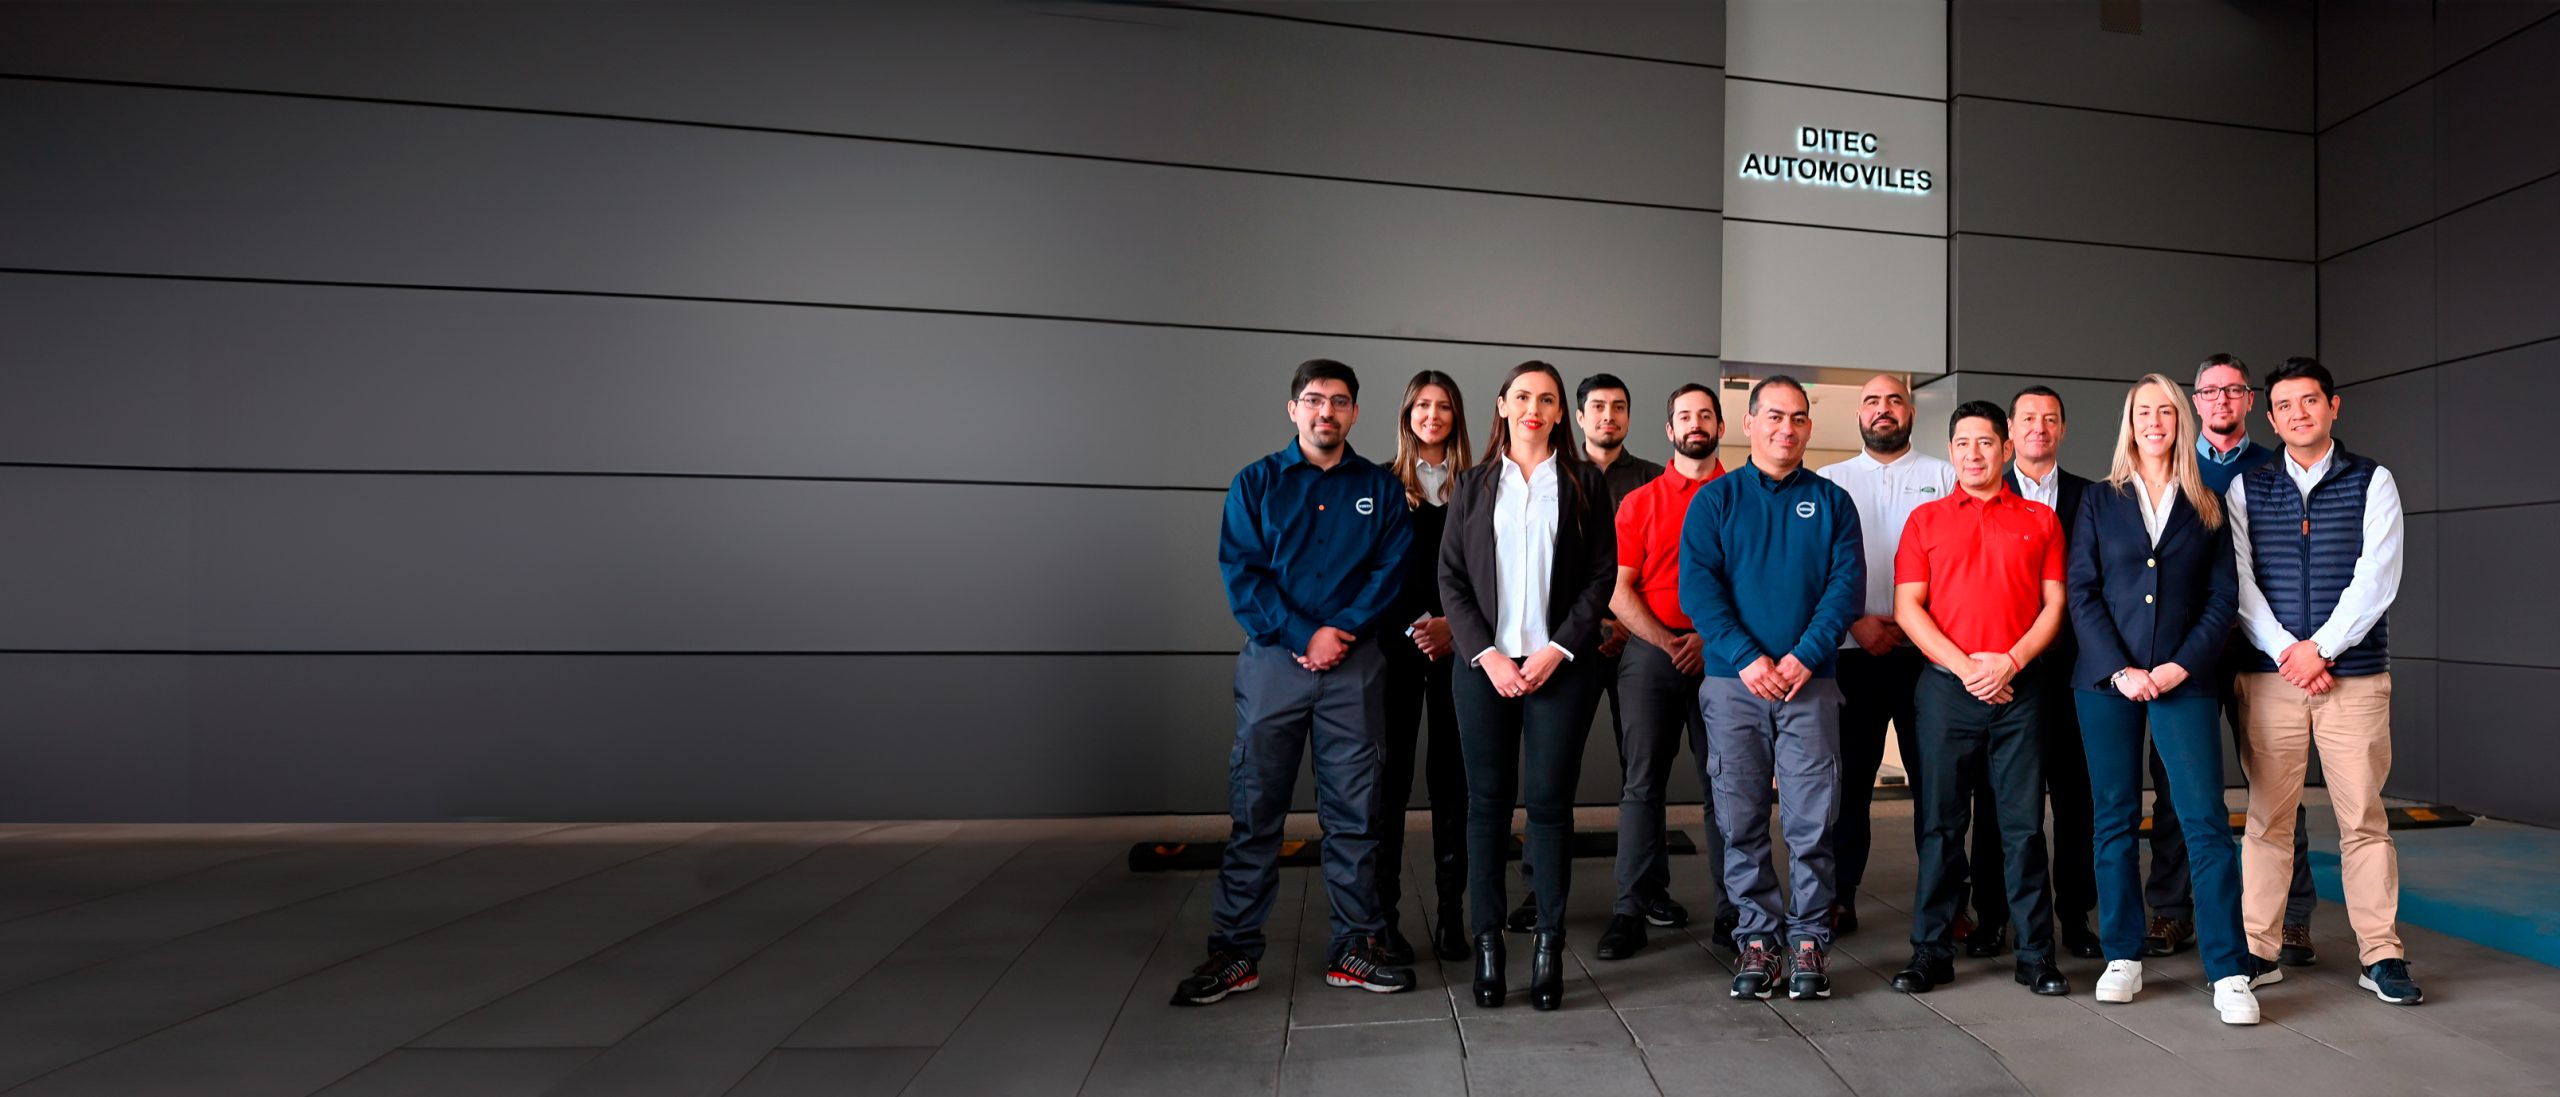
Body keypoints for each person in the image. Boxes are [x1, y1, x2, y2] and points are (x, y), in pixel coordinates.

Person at [1177, 359, 1416, 1006]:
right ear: (1293, 409)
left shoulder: (1380, 489)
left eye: (1338, 401)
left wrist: (1340, 630)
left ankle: (1355, 947)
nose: (1325, 411)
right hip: (1273, 665)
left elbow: (1390, 570)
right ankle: (1235, 952)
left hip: (1355, 666)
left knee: (1355, 815)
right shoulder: (1255, 483)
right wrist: (1303, 634)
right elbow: (1242, 572)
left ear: (1355, 413)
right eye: (1313, 399)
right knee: (1256, 810)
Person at [2067, 374, 2260, 1025]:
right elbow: (2082, 591)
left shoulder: (2208, 501)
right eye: (2142, 412)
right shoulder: (2099, 500)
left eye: (2165, 412)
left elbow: (2223, 598)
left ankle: (2228, 968)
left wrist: (2178, 666)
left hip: (2186, 681)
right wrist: (2120, 669)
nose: (2154, 421)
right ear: (2129, 422)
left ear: (2181, 421)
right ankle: (2122, 954)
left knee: (2205, 819)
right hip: (2107, 684)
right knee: (2114, 817)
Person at [2228, 357, 2418, 1005]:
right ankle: (2259, 948)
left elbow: (2378, 577)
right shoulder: (2247, 487)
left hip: (2353, 679)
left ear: (2333, 407)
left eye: (2310, 401)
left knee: (2363, 819)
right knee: (2267, 820)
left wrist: (2323, 649)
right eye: (2284, 405)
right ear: (2270, 417)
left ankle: (2381, 954)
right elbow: (2241, 583)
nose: (2298, 413)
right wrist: (2290, 652)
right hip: (2271, 677)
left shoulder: (2373, 480)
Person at [1441, 361, 1618, 1011]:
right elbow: (1452, 579)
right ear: (1502, 405)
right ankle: (1488, 944)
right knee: (1485, 806)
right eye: (1522, 397)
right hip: (1484, 669)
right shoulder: (1472, 484)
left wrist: (1558, 648)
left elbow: (1601, 575)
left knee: (1549, 805)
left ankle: (1548, 944)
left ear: (1560, 412)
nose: (1533, 409)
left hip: (1558, 667)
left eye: (1546, 399)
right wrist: (1486, 654)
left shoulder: (1584, 482)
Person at [1680, 375, 1862, 1002]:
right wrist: (1747, 658)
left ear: (1809, 427)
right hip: (1734, 685)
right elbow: (1699, 590)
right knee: (1740, 818)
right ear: (1750, 423)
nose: (1787, 428)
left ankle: (1809, 939)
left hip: (1811, 684)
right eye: (1775, 416)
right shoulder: (1715, 501)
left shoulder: (1833, 503)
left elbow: (1845, 589)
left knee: (1813, 821)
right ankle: (1757, 938)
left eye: (1799, 418)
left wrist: (1805, 655)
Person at [1889, 400, 2071, 997]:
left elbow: (2055, 605)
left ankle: (2036, 955)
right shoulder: (1925, 520)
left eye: (1986, 443)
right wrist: (1967, 668)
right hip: (1947, 691)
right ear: (1951, 451)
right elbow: (1907, 607)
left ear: (2006, 449)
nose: (1973, 454)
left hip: (2021, 691)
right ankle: (1930, 951)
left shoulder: (2041, 520)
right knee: (1940, 825)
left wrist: (2010, 662)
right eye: (1963, 443)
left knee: (2023, 827)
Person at [2143, 353, 2317, 964]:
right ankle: (2171, 911)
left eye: (2233, 390)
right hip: (2185, 657)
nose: (2221, 400)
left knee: (2277, 787)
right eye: (2210, 391)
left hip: (2259, 654)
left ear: (2250, 402)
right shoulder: (2172, 466)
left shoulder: (2275, 468)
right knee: (2174, 788)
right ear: (2195, 402)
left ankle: (2290, 918)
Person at [1491, 373, 1664, 935]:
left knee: (1642, 770)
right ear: (1579, 416)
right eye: (1598, 407)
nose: (1609, 416)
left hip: (1634, 644)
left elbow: (1658, 565)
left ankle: (1649, 889)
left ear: (1629, 417)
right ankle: (1538, 890)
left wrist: (1627, 625)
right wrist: (1589, 626)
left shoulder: (1652, 478)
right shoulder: (1558, 473)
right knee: (1551, 775)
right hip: (1567, 647)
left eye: (1619, 407)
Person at [1596, 383, 1737, 962]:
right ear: (1669, 429)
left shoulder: (1744, 496)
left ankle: (1734, 909)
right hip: (1652, 653)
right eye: (1684, 416)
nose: (1695, 423)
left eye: (1706, 415)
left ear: (1721, 427)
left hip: (1724, 654)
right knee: (1642, 782)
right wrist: (1666, 640)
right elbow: (1618, 588)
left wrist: (1708, 637)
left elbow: (1752, 583)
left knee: (1724, 784)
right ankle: (1630, 909)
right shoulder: (1641, 501)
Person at [1964, 386, 2101, 960]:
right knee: (1997, 801)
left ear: (2063, 429)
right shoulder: (1984, 493)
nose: (2038, 427)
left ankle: (2075, 916)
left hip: (2074, 672)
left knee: (2076, 798)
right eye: (2027, 418)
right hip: (2004, 675)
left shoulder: (2094, 497)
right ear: (2010, 431)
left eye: (2050, 419)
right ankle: (1993, 915)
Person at [1817, 374, 1956, 937]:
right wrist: (1857, 620)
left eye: (1894, 400)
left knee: (1935, 785)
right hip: (1852, 651)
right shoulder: (1830, 481)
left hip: (1928, 655)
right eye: (1872, 401)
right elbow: (1819, 568)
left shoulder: (1944, 475)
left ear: (1911, 413)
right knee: (1848, 784)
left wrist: (1917, 626)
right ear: (1858, 414)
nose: (1883, 409)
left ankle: (1945, 903)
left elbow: (1958, 564)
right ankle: (1839, 897)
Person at [1376, 370, 1475, 965]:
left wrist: (1452, 629)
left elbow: (1490, 575)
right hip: (1395, 650)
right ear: (1407, 413)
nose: (1432, 415)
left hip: (1458, 652)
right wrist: (1417, 625)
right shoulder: (1382, 484)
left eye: (1442, 406)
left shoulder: (1478, 486)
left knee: (1452, 784)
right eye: (1422, 405)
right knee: (1389, 785)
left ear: (1456, 416)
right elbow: (1371, 572)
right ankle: (1384, 919)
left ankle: (1450, 918)